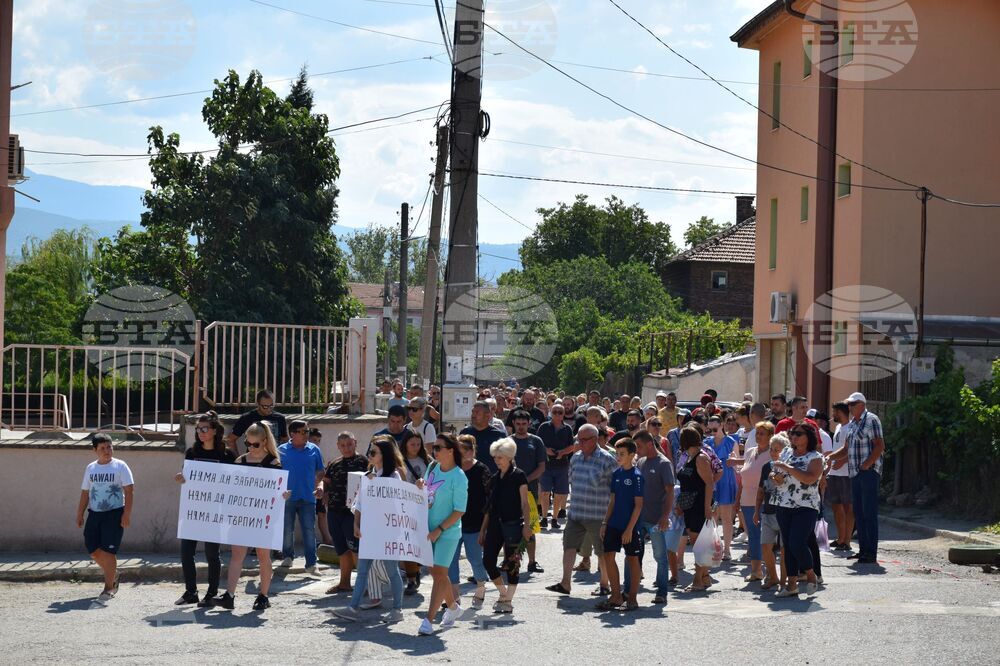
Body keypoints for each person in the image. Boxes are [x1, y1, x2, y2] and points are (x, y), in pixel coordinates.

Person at [333, 436, 407, 624]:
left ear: (384, 455)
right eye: (370, 452)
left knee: (392, 570)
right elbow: (360, 503)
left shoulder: (393, 476)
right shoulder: (369, 475)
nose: (370, 455)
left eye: (373, 452)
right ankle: (353, 607)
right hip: (370, 530)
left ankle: (397, 609)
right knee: (363, 569)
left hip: (388, 530)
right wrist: (357, 524)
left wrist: (377, 483)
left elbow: (397, 503)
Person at [218, 422, 290, 611]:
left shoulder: (274, 462)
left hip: (264, 516)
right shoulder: (240, 461)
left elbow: (276, 489)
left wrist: (283, 494)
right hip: (242, 515)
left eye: (255, 444)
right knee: (236, 555)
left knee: (263, 556)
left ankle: (263, 595)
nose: (250, 447)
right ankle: (229, 595)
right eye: (247, 443)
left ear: (265, 441)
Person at [545, 424, 617, 597]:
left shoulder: (607, 459)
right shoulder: (575, 458)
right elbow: (572, 480)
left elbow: (615, 489)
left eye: (584, 440)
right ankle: (565, 583)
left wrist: (609, 517)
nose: (580, 443)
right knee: (568, 547)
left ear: (595, 439)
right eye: (579, 439)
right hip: (576, 513)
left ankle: (604, 585)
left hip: (597, 514)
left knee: (602, 552)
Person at [174, 411, 235, 606]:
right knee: (186, 552)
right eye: (198, 429)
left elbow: (234, 482)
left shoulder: (226, 455)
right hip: (193, 509)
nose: (200, 432)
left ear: (215, 430)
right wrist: (181, 478)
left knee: (211, 554)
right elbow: (187, 476)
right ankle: (191, 592)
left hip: (215, 511)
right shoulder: (192, 452)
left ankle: (211, 593)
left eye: (204, 428)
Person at [419, 433, 469, 635]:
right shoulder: (432, 467)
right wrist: (419, 486)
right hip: (428, 531)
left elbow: (460, 510)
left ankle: (428, 620)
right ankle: (454, 608)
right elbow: (426, 492)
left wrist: (439, 530)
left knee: (439, 573)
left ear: (450, 450)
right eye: (434, 447)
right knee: (438, 573)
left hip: (447, 533)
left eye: (439, 448)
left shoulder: (459, 476)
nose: (434, 451)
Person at [828, 392, 884, 564]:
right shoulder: (852, 423)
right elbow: (846, 448)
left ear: (861, 404)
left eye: (852, 405)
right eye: (849, 405)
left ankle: (871, 552)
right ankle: (863, 551)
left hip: (868, 472)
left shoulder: (871, 420)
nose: (849, 408)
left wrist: (867, 464)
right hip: (854, 473)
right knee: (859, 513)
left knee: (868, 512)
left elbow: (879, 445)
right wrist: (830, 457)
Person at [77, 433, 134, 603]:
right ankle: (113, 572)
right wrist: (79, 513)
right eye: (102, 448)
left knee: (108, 552)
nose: (107, 450)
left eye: (109, 447)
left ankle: (109, 587)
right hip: (94, 514)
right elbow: (85, 492)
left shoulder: (120, 466)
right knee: (93, 549)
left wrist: (126, 514)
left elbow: (129, 491)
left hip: (114, 514)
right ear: (95, 450)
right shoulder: (91, 468)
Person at [478, 437, 532, 614]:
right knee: (488, 560)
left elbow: (525, 503)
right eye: (495, 457)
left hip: (513, 524)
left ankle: (507, 600)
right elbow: (489, 507)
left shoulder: (519, 476)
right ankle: (503, 593)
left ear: (509, 457)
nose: (496, 460)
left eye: (499, 457)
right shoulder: (495, 478)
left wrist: (527, 525)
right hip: (495, 524)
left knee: (512, 564)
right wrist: (482, 531)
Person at [772, 424, 824, 597]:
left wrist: (788, 469)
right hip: (783, 503)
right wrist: (776, 477)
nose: (794, 437)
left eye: (798, 434)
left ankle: (810, 574)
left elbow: (810, 479)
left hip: (806, 506)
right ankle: (791, 585)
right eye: (792, 433)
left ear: (809, 437)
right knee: (787, 544)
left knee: (797, 541)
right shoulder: (786, 452)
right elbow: (775, 473)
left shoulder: (815, 457)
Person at [597, 438, 644, 611]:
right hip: (614, 524)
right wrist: (604, 522)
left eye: (622, 454)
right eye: (617, 453)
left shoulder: (637, 476)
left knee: (632, 559)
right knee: (608, 556)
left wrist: (629, 530)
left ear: (632, 455)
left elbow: (639, 505)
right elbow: (612, 501)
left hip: (630, 527)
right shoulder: (616, 474)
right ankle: (616, 596)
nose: (618, 457)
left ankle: (632, 597)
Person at [630, 431, 674, 604]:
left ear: (649, 445)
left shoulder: (664, 464)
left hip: (656, 519)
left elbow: (670, 492)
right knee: (634, 554)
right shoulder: (640, 462)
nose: (636, 450)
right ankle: (629, 589)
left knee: (660, 556)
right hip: (639, 518)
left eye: (638, 446)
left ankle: (662, 592)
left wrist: (665, 516)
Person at [323, 431, 368, 594]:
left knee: (356, 550)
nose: (346, 448)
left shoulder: (364, 462)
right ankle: (344, 584)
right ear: (338, 446)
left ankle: (365, 586)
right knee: (341, 549)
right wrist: (322, 491)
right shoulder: (334, 463)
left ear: (355, 442)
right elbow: (325, 482)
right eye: (342, 445)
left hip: (353, 514)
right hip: (334, 511)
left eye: (349, 444)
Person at [449, 435, 491, 607]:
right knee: (450, 559)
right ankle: (454, 597)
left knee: (475, 559)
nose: (460, 453)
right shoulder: (451, 469)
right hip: (452, 522)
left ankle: (481, 586)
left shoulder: (482, 470)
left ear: (472, 450)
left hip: (474, 523)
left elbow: (490, 498)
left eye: (464, 450)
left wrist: (486, 526)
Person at [278, 419, 325, 572]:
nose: (307, 434)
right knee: (286, 528)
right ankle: (287, 557)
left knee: (309, 530)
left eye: (307, 431)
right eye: (303, 431)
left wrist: (319, 486)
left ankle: (311, 564)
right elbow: (275, 473)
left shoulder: (314, 449)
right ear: (292, 433)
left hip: (308, 497)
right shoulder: (281, 450)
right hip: (287, 498)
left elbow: (320, 472)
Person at [734, 421, 775, 582]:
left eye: (762, 433)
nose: (758, 436)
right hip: (746, 500)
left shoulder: (773, 454)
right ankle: (757, 570)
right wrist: (737, 501)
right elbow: (743, 479)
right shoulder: (750, 452)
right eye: (757, 433)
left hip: (764, 502)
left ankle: (767, 570)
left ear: (771, 436)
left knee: (764, 538)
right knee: (753, 536)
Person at [676, 427, 714, 593]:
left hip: (699, 505)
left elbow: (710, 483)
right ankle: (705, 577)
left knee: (698, 544)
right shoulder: (688, 457)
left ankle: (698, 580)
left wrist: (707, 507)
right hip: (689, 505)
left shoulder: (701, 458)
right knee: (696, 541)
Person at [509, 409, 546, 573]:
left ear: (529, 424)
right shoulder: (507, 442)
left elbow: (542, 467)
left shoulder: (536, 441)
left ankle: (532, 562)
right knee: (509, 526)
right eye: (518, 424)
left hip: (530, 491)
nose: (521, 427)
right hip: (510, 490)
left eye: (524, 424)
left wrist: (525, 480)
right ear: (513, 424)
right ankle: (508, 560)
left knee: (529, 526)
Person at [755, 433, 789, 590]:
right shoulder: (766, 467)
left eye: (777, 450)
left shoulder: (789, 467)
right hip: (768, 512)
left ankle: (784, 580)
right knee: (765, 546)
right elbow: (761, 490)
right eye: (772, 449)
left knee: (784, 549)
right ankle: (773, 577)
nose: (774, 453)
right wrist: (757, 510)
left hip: (784, 512)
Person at [400, 431, 431, 594]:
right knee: (407, 543)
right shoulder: (399, 462)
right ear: (405, 444)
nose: (416, 447)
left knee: (420, 543)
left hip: (423, 508)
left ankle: (417, 569)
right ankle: (411, 578)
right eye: (412, 444)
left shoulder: (428, 461)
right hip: (405, 508)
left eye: (418, 444)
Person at [705, 415, 739, 560]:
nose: (712, 432)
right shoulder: (706, 442)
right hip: (711, 481)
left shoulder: (731, 441)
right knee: (712, 516)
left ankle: (727, 549)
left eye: (714, 428)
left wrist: (734, 460)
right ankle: (714, 546)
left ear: (721, 426)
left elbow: (737, 463)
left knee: (726, 516)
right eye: (709, 429)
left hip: (726, 480)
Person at [537, 402, 575, 530]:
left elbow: (572, 446)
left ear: (564, 414)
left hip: (561, 465)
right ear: (550, 413)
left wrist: (562, 452)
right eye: (555, 412)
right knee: (545, 492)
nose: (557, 414)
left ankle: (554, 518)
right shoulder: (543, 427)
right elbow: (538, 443)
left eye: (560, 412)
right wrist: (547, 450)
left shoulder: (567, 429)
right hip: (546, 465)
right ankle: (543, 518)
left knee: (559, 494)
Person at [826, 402, 855, 552]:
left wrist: (842, 461)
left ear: (839, 412)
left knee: (848, 507)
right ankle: (840, 538)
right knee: (836, 507)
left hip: (846, 474)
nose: (832, 415)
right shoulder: (838, 427)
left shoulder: (850, 427)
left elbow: (850, 450)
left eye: (834, 412)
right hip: (834, 473)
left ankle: (848, 541)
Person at [228, 389, 287, 454]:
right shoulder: (247, 418)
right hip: (253, 460)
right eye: (265, 406)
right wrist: (237, 459)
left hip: (274, 458)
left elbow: (285, 441)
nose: (269, 409)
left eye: (271, 405)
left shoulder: (280, 418)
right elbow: (230, 439)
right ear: (258, 404)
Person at [461, 401, 506, 473]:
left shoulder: (498, 435)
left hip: (491, 479)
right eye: (473, 412)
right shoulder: (465, 433)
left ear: (487, 416)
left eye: (477, 413)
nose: (473, 415)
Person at [308, 429, 333, 547]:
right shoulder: (307, 453)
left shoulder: (318, 453)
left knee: (322, 514)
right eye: (314, 440)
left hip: (319, 488)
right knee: (309, 517)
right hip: (309, 489)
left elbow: (322, 472)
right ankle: (311, 540)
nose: (317, 443)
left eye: (318, 441)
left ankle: (326, 538)